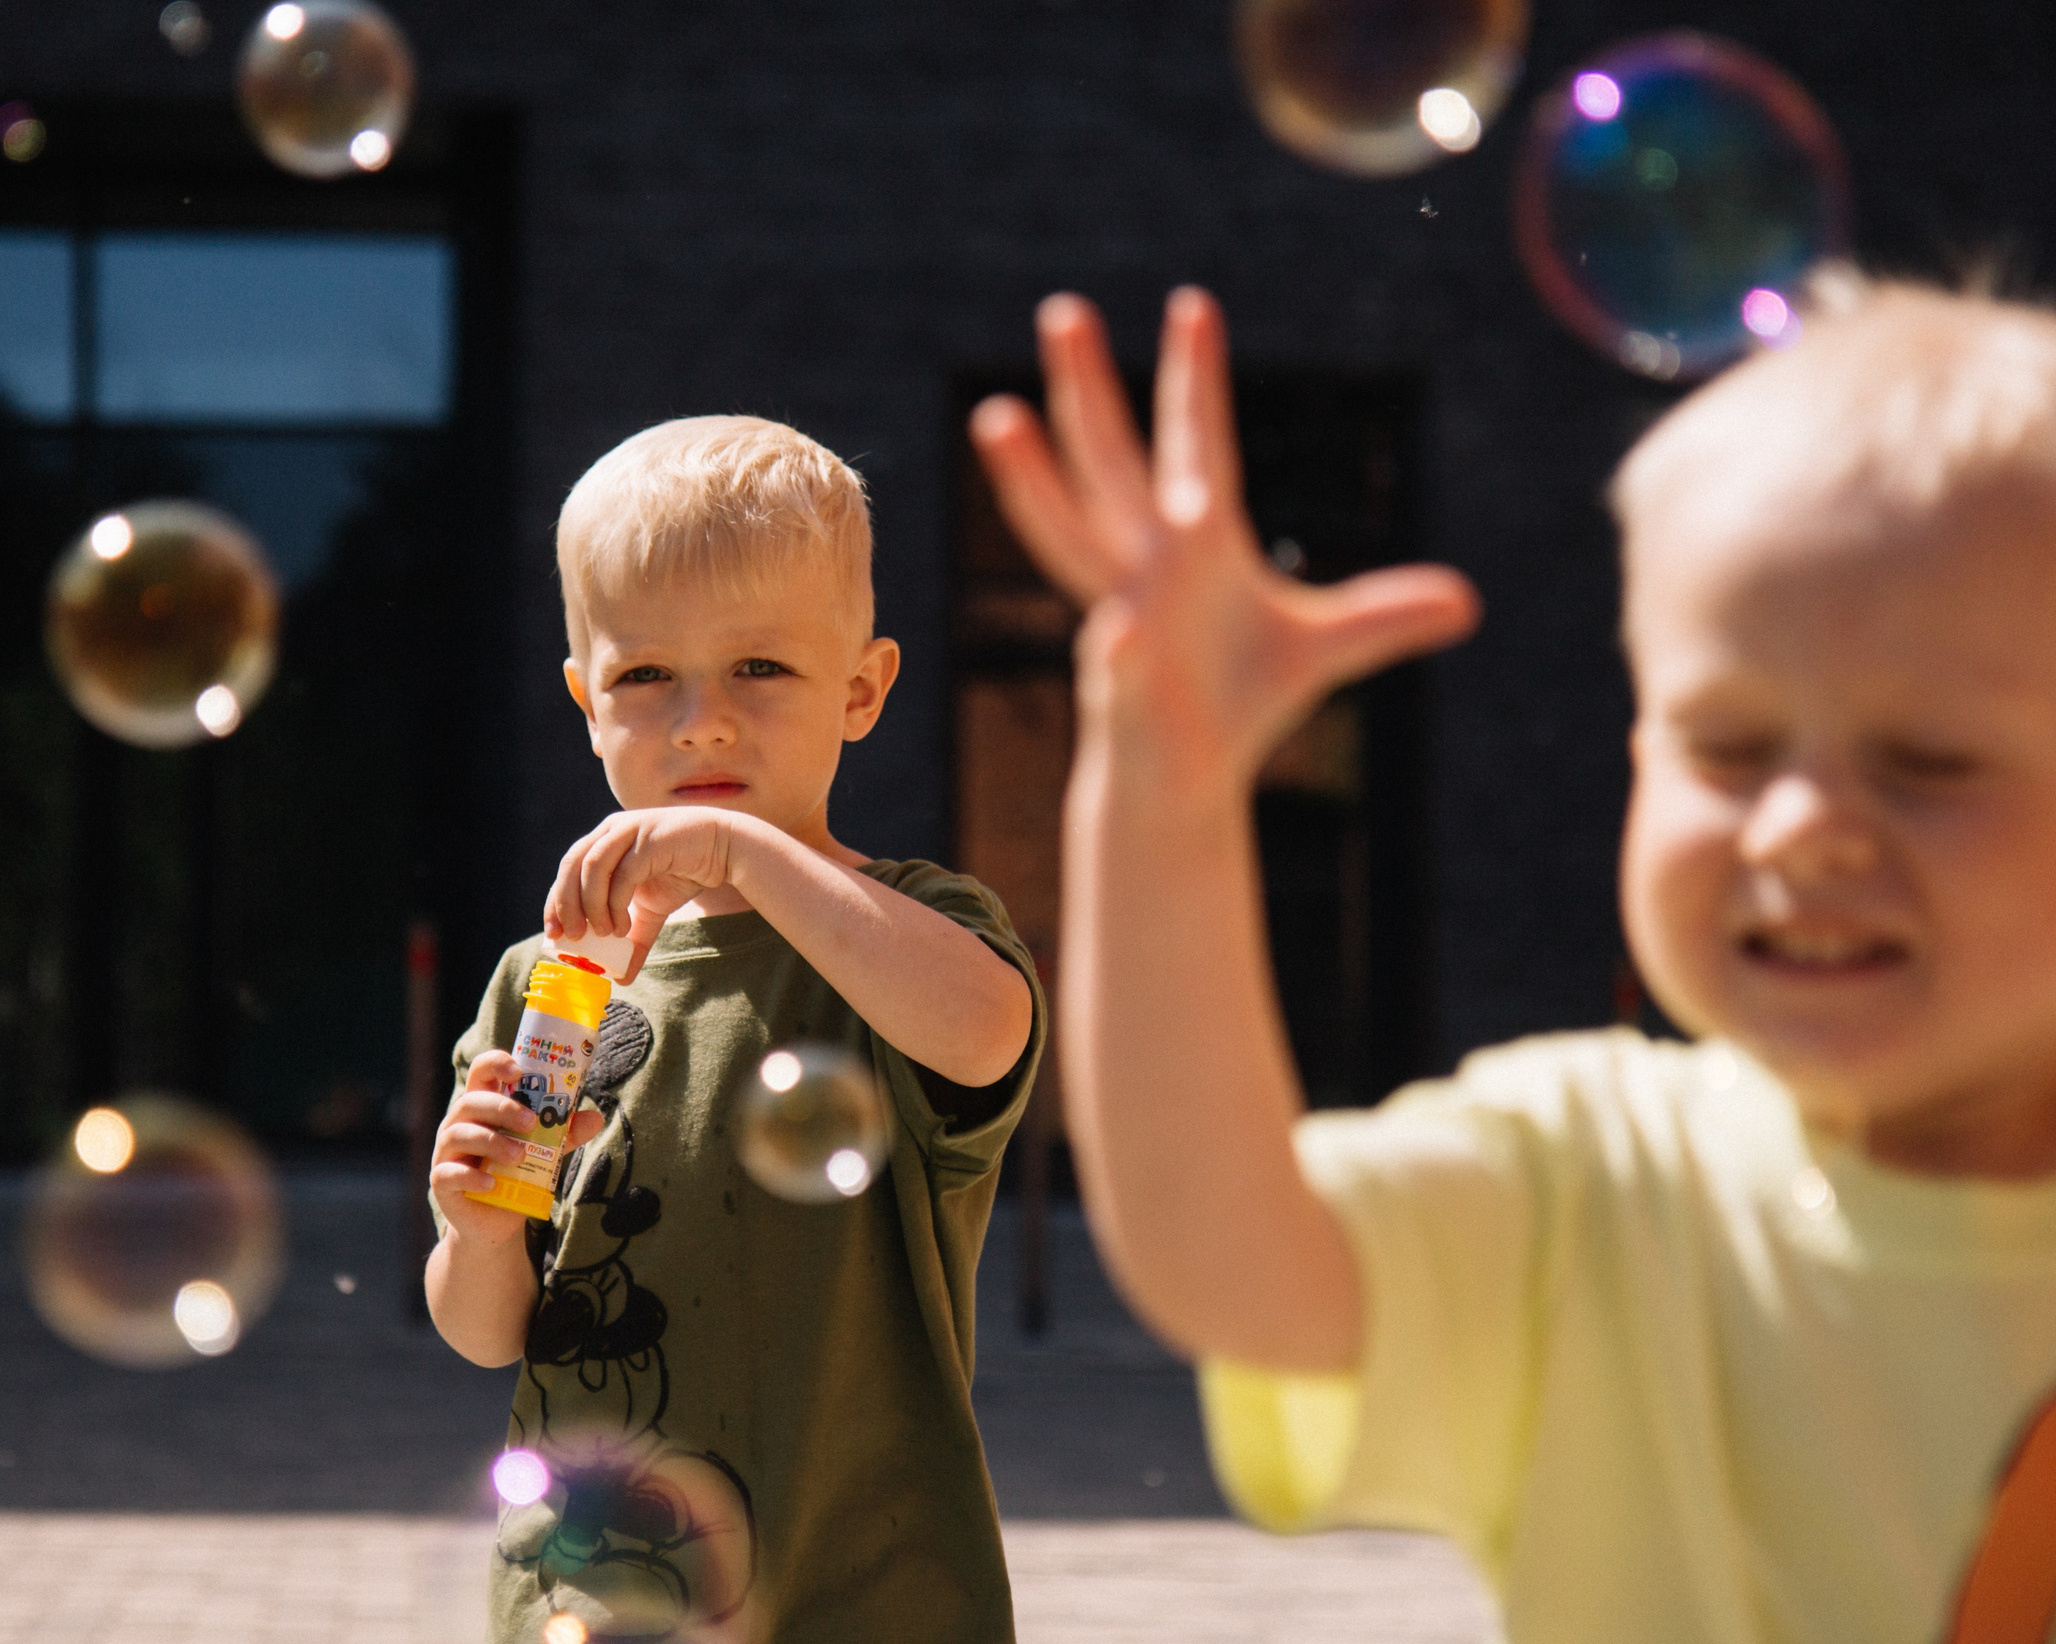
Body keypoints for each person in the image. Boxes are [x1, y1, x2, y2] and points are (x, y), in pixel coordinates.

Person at [969, 277, 2056, 1642]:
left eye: (1929, 763)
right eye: (1727, 749)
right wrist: (1168, 797)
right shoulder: (1593, 1177)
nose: (1805, 824)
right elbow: (1224, 1257)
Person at [426, 415, 1047, 1643]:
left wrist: (744, 852)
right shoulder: (548, 983)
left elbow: (985, 1033)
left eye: (759, 669)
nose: (701, 720)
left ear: (863, 688)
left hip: (859, 1594)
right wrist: (474, 1229)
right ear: (585, 703)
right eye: (646, 676)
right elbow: (486, 1327)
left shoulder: (909, 931)